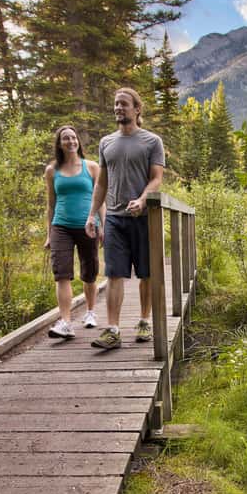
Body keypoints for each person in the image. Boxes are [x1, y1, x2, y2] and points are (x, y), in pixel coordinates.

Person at [85, 87, 165, 350]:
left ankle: (144, 320)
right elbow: (101, 184)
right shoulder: (106, 142)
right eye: (116, 104)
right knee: (114, 273)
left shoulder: (152, 141)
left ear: (137, 109)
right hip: (115, 218)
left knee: (146, 273)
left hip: (144, 218)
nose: (118, 108)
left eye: (124, 104)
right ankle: (113, 330)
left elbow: (156, 178)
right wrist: (92, 215)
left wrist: (142, 199)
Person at [44, 125, 105, 339]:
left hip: (88, 225)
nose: (70, 141)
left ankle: (90, 312)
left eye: (73, 137)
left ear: (78, 141)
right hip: (61, 226)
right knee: (62, 274)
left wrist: (103, 226)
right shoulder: (52, 170)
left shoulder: (92, 167)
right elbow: (51, 205)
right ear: (59, 144)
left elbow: (100, 200)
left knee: (89, 273)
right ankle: (66, 322)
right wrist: (48, 233)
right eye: (65, 138)